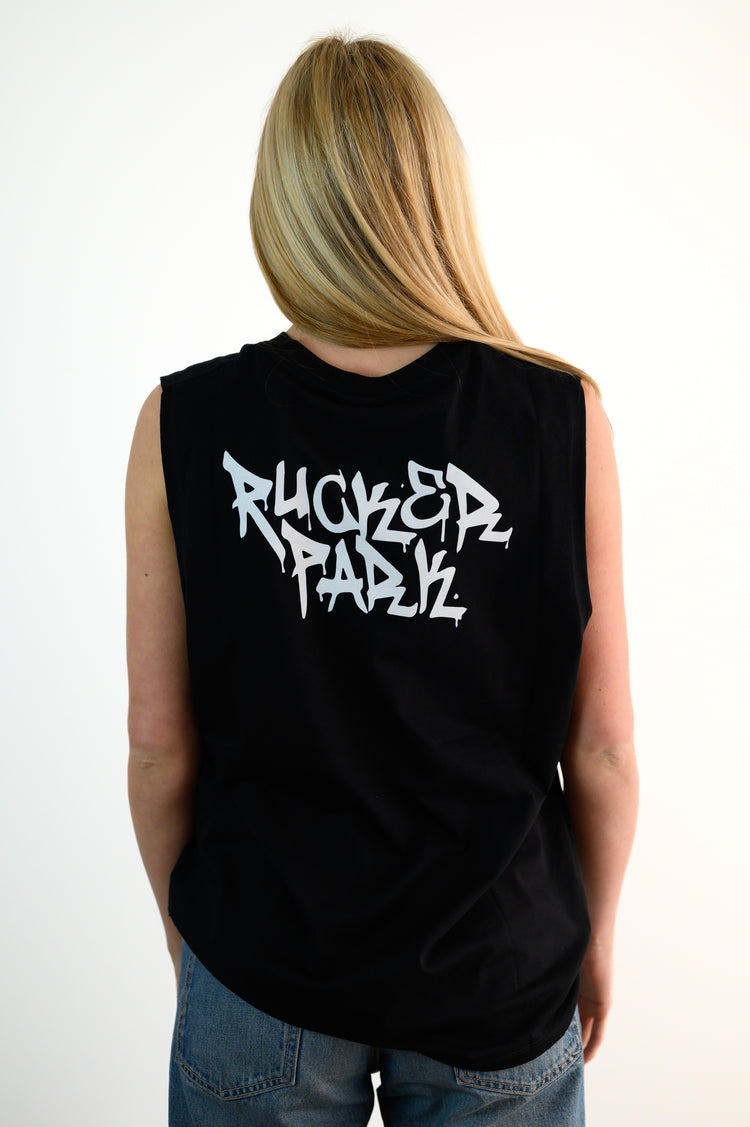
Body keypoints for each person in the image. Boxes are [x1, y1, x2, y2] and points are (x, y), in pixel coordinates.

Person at [125, 32, 638, 1127]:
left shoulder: (184, 422)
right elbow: (601, 746)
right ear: (436, 198)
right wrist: (594, 935)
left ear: (283, 202)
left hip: (261, 962)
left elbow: (160, 746)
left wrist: (196, 947)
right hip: (500, 964)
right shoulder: (560, 418)